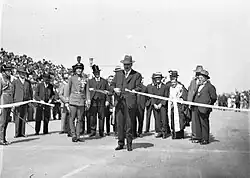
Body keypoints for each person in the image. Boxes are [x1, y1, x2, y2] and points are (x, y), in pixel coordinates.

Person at [110, 55, 142, 151]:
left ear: (131, 65)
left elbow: (139, 87)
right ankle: (120, 143)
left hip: (129, 103)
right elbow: (111, 85)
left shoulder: (137, 75)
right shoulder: (118, 74)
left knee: (129, 124)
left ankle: (129, 144)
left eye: (128, 64)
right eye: (125, 64)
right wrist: (114, 89)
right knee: (119, 123)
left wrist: (133, 90)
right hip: (119, 102)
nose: (126, 66)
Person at [66, 62, 90, 142]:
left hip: (81, 100)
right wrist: (66, 101)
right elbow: (68, 89)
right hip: (73, 100)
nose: (79, 70)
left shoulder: (85, 78)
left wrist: (88, 100)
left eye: (80, 69)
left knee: (80, 119)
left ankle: (78, 135)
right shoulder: (71, 78)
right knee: (72, 118)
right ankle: (73, 134)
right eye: (77, 69)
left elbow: (87, 91)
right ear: (75, 70)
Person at [192, 69, 217, 145]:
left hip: (204, 109)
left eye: (201, 76)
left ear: (205, 78)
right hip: (197, 108)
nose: (199, 78)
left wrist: (208, 105)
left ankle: (205, 139)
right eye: (199, 76)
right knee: (198, 123)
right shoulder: (199, 86)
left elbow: (214, 98)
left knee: (204, 124)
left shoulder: (210, 87)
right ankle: (200, 137)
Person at [88, 64, 109, 137]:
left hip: (102, 101)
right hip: (93, 100)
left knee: (101, 116)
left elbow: (107, 92)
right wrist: (88, 100)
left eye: (98, 72)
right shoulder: (90, 81)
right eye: (95, 73)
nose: (97, 74)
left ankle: (101, 131)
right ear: (93, 73)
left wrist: (107, 100)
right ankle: (93, 131)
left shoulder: (104, 81)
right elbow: (87, 92)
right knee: (93, 116)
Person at [12, 66, 33, 138]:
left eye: (24, 73)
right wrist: (13, 103)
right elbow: (12, 92)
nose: (23, 74)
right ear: (19, 74)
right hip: (17, 102)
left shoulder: (28, 82)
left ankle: (22, 132)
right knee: (17, 117)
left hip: (25, 102)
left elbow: (31, 92)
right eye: (21, 73)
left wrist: (30, 101)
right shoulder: (15, 82)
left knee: (24, 117)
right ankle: (17, 133)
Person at [167, 70, 188, 139]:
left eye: (174, 77)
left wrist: (181, 101)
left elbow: (185, 95)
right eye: (171, 77)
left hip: (179, 107)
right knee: (172, 119)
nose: (173, 78)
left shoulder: (180, 86)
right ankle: (173, 134)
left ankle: (180, 135)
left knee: (180, 120)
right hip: (171, 106)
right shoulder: (168, 85)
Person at [151, 72, 171, 139]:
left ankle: (164, 132)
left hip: (162, 105)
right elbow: (152, 96)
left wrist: (161, 104)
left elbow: (166, 96)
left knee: (163, 119)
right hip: (155, 105)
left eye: (159, 78)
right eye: (156, 78)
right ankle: (159, 131)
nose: (157, 79)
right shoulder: (153, 87)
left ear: (161, 79)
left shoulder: (165, 87)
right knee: (157, 119)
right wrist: (154, 104)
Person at [187, 65, 203, 140]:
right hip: (193, 104)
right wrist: (189, 103)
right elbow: (190, 92)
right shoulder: (193, 81)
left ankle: (201, 136)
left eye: (199, 73)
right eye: (196, 73)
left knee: (201, 121)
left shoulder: (204, 82)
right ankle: (194, 135)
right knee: (194, 121)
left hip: (201, 104)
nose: (197, 74)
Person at [0, 64, 13, 145]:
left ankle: (4, 138)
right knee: (2, 122)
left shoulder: (9, 79)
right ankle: (1, 139)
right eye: (7, 70)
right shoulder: (1, 80)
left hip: (9, 102)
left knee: (6, 121)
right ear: (4, 72)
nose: (9, 72)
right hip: (3, 102)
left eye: (9, 70)